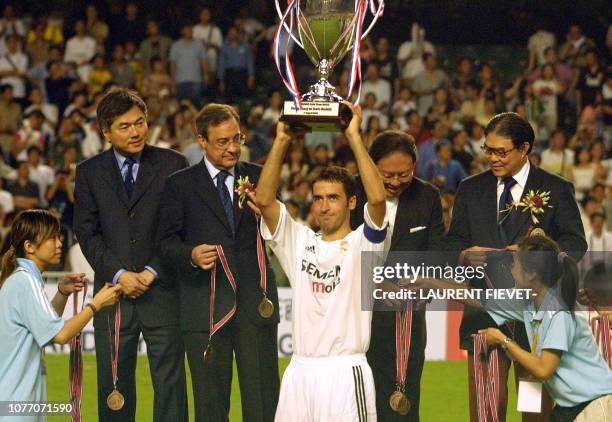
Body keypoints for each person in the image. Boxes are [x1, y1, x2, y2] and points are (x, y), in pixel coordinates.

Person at [444, 112, 587, 422]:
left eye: (501, 151)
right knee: (486, 413)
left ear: (525, 148)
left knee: (534, 412)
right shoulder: (470, 188)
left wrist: (537, 256)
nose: (493, 158)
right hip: (485, 319)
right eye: (488, 150)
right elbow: (451, 242)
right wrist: (464, 254)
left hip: (536, 324)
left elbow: (576, 244)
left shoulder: (556, 188)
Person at [257, 104, 387, 421]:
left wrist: (354, 136)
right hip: (300, 371)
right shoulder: (299, 241)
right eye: (318, 198)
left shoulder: (365, 244)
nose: (324, 206)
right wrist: (282, 141)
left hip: (345, 371)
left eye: (333, 198)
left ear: (351, 202)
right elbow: (263, 201)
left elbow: (380, 200)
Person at [158, 103, 280, 422]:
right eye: (222, 142)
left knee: (264, 400)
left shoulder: (257, 177)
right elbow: (165, 244)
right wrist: (191, 255)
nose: (233, 148)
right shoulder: (179, 185)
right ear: (202, 140)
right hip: (205, 307)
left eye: (236, 138)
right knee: (210, 406)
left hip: (255, 305)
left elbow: (280, 228)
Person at [73, 88, 188, 422]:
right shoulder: (89, 172)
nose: (136, 131)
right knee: (114, 387)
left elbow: (178, 230)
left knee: (171, 388)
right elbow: (87, 233)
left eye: (140, 122)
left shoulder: (172, 164)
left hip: (163, 292)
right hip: (112, 297)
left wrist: (152, 270)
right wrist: (119, 274)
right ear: (105, 132)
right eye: (124, 126)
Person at [413, 235, 612, 421]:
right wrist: (431, 282)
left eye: (515, 264)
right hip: (571, 406)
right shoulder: (527, 300)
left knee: (534, 412)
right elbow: (475, 296)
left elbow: (543, 369)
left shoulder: (557, 310)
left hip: (594, 405)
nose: (510, 268)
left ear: (532, 274)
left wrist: (503, 340)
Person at [350, 130, 445, 421]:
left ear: (415, 166)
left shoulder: (428, 196)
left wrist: (419, 287)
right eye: (386, 174)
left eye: (403, 174)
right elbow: (338, 247)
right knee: (356, 397)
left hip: (407, 317)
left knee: (404, 396)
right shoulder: (351, 190)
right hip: (355, 316)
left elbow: (437, 254)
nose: (394, 182)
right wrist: (377, 283)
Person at [0, 209, 120, 410]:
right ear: (29, 246)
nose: (59, 243)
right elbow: (61, 335)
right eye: (51, 238)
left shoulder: (22, 279)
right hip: (16, 400)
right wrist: (96, 304)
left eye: (59, 236)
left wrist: (61, 294)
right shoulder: (25, 282)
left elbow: (43, 328)